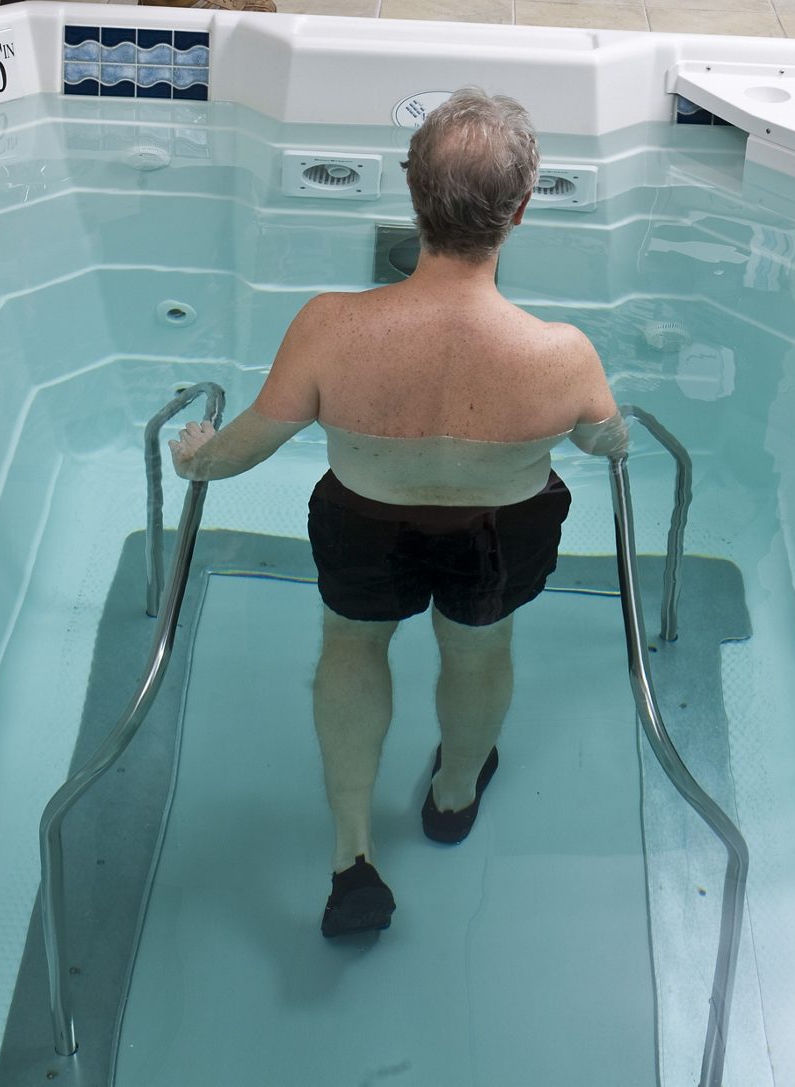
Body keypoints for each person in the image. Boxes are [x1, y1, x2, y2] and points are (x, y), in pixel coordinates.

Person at [169, 87, 627, 939]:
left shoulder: (330, 328)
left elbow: (245, 448)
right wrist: (611, 439)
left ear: (411, 193)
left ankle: (351, 855)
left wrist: (195, 455)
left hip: (365, 518)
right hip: (501, 530)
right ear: (522, 210)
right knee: (480, 649)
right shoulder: (562, 355)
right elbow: (608, 445)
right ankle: (453, 797)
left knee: (352, 644)